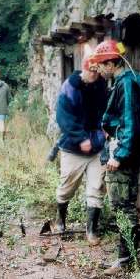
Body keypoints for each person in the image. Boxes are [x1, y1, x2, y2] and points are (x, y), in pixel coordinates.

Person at [88, 39, 140, 275]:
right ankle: (127, 258)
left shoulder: (125, 84)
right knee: (124, 205)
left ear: (112, 63)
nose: (99, 69)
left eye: (101, 65)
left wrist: (119, 155)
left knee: (122, 207)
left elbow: (129, 122)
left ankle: (126, 260)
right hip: (121, 149)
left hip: (121, 154)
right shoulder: (127, 82)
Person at [53, 56, 109, 245]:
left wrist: (106, 129)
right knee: (66, 186)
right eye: (91, 71)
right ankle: (61, 219)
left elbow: (106, 110)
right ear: (83, 69)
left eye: (96, 71)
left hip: (97, 146)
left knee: (96, 187)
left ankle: (91, 230)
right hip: (73, 147)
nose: (94, 74)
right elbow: (63, 118)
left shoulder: (101, 85)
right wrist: (80, 138)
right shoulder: (70, 86)